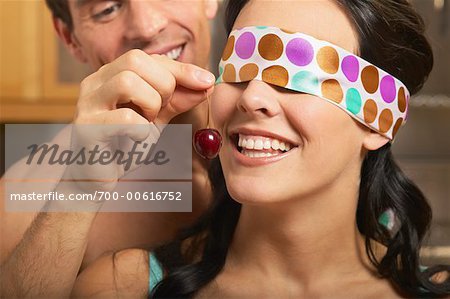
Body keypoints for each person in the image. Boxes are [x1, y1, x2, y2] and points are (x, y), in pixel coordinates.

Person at [70, 0, 450, 298]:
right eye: (239, 68)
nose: (251, 97)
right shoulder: (121, 287)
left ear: (378, 119)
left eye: (297, 78)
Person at [0, 0, 219, 297]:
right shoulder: (23, 198)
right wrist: (78, 190)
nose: (147, 26)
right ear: (70, 38)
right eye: (107, 9)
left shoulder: (282, 128)